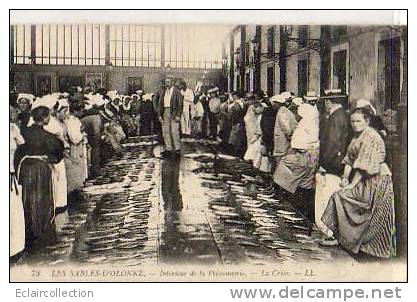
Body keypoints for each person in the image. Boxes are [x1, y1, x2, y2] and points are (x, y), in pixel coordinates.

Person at [321, 107, 396, 258]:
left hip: (378, 180)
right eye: (353, 121)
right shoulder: (357, 136)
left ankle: (368, 248)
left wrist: (351, 184)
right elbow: (349, 159)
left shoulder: (371, 136)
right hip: (365, 178)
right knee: (339, 196)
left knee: (372, 215)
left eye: (358, 121)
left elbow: (363, 166)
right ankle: (340, 237)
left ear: (367, 121)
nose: (355, 124)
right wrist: (344, 177)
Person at [15, 105, 64, 249]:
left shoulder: (23, 132)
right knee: (42, 198)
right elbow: (58, 152)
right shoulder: (47, 136)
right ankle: (41, 231)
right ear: (44, 118)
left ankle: (28, 231)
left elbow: (17, 152)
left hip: (25, 168)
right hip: (41, 169)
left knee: (27, 198)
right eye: (48, 116)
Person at [274, 103, 320, 221]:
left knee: (288, 172)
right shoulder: (312, 123)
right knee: (306, 182)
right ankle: (304, 211)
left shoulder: (306, 124)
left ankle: (293, 203)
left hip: (304, 155)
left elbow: (299, 144)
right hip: (312, 156)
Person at [315, 91, 350, 236]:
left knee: (326, 197)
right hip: (336, 165)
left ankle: (327, 231)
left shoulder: (336, 117)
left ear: (329, 102)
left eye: (326, 102)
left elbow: (332, 144)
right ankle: (329, 231)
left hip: (331, 166)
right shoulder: (341, 115)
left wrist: (324, 164)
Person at [43, 96, 69, 211]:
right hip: (53, 152)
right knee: (56, 177)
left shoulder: (53, 122)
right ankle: (58, 203)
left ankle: (61, 202)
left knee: (60, 177)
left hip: (57, 152)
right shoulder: (51, 123)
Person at [10, 106, 25, 259]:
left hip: (12, 174)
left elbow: (22, 146)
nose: (14, 111)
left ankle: (15, 248)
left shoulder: (13, 128)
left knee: (14, 211)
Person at [64, 100, 89, 194]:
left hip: (80, 144)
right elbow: (74, 137)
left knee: (82, 162)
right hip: (75, 146)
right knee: (77, 163)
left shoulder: (76, 120)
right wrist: (81, 135)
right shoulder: (69, 121)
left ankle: (82, 181)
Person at [158, 75, 184, 158]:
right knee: (165, 132)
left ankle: (177, 150)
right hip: (165, 112)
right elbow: (160, 104)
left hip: (174, 112)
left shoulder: (177, 91)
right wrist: (160, 115)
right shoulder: (163, 91)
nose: (167, 83)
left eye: (168, 82)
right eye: (166, 82)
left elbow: (180, 104)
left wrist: (178, 115)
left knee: (174, 132)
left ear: (172, 82)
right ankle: (168, 149)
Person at [271, 93, 298, 169]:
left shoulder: (282, 113)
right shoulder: (284, 111)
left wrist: (289, 137)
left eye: (274, 103)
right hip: (283, 141)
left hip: (283, 142)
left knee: (281, 161)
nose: (273, 105)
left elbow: (286, 128)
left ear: (277, 103)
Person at [228, 92, 246, 158]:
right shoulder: (241, 102)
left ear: (236, 96)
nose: (233, 97)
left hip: (237, 122)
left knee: (236, 138)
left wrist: (233, 119)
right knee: (237, 138)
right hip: (239, 122)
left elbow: (236, 113)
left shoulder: (237, 103)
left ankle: (237, 153)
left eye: (234, 96)